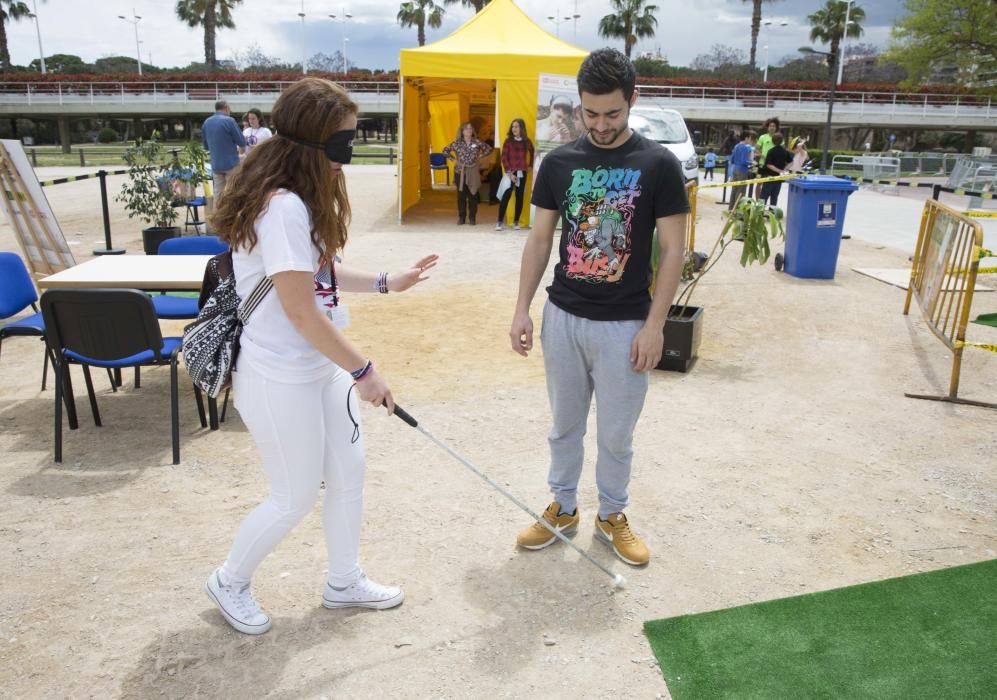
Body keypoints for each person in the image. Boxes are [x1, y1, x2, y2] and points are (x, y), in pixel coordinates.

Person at [204, 77, 438, 636]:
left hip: (318, 368)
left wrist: (388, 281)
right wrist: (364, 370)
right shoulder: (281, 206)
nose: (346, 159)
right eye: (341, 146)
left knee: (348, 473)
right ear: (310, 145)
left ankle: (343, 580)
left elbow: (317, 273)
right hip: (279, 374)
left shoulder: (296, 199)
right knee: (295, 495)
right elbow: (301, 311)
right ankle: (229, 580)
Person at [509, 48, 689, 567]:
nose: (601, 125)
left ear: (632, 100)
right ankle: (562, 509)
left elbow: (674, 249)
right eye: (590, 113)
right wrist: (522, 309)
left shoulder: (658, 164)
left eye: (612, 113)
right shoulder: (560, 161)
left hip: (625, 324)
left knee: (616, 433)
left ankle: (612, 515)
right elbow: (540, 239)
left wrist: (656, 326)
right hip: (563, 317)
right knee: (564, 425)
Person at [442, 121, 493, 225]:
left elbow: (488, 149)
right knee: (461, 196)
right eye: (466, 129)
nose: (468, 130)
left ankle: (472, 218)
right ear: (462, 131)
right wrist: (453, 160)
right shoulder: (457, 143)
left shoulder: (477, 142)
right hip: (459, 172)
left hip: (473, 171)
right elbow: (445, 151)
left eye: (470, 128)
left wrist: (479, 156)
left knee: (473, 195)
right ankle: (461, 218)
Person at [201, 100, 246, 203]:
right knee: (233, 192)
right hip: (231, 164)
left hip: (216, 164)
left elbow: (206, 147)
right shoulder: (229, 121)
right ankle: (233, 217)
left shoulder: (206, 122)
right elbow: (241, 141)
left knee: (218, 194)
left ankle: (217, 217)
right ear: (226, 108)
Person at [496, 118, 535, 231]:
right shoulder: (508, 141)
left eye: (516, 126)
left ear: (521, 128)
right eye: (513, 126)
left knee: (519, 197)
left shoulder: (527, 141)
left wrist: (530, 165)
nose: (514, 129)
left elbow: (533, 152)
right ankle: (499, 222)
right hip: (510, 172)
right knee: (506, 196)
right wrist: (509, 173)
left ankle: (516, 222)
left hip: (522, 172)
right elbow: (504, 158)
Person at [758, 132, 790, 207]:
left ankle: (759, 214)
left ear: (772, 141)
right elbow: (791, 162)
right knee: (774, 197)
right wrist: (784, 170)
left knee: (763, 197)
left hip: (769, 177)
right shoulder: (785, 151)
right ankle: (772, 215)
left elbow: (769, 165)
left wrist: (778, 170)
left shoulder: (771, 151)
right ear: (782, 141)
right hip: (779, 178)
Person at [728, 130, 757, 210]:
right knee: (741, 191)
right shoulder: (744, 147)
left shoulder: (736, 146)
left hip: (735, 170)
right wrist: (752, 162)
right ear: (746, 138)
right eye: (750, 138)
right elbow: (744, 161)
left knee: (734, 190)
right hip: (742, 171)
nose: (750, 140)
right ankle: (737, 210)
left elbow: (732, 159)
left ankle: (731, 209)